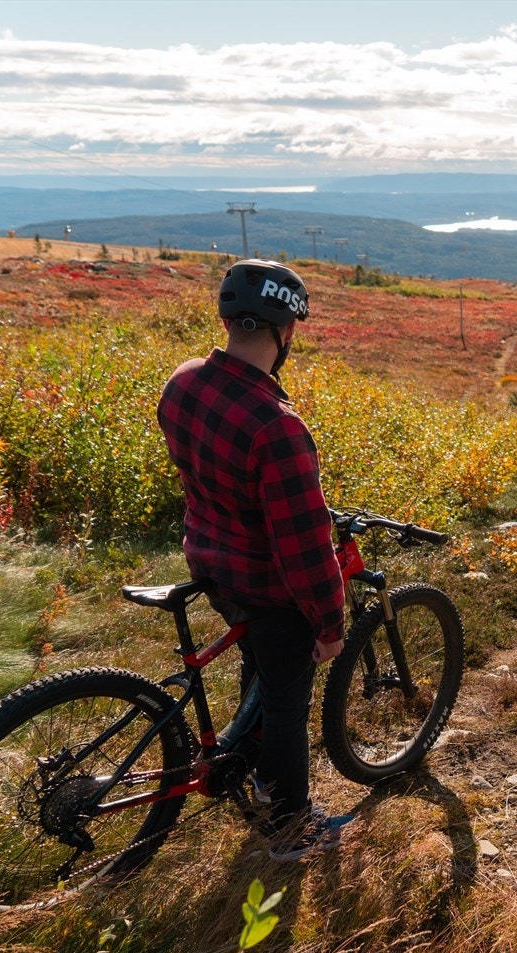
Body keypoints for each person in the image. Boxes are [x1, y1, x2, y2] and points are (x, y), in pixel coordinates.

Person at [157, 259, 351, 861]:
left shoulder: (183, 381)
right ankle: (289, 826)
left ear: (225, 317)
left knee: (261, 662)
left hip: (209, 565)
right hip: (263, 584)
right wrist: (329, 622)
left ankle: (246, 756)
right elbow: (302, 547)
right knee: (290, 698)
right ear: (286, 332)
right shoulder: (277, 426)